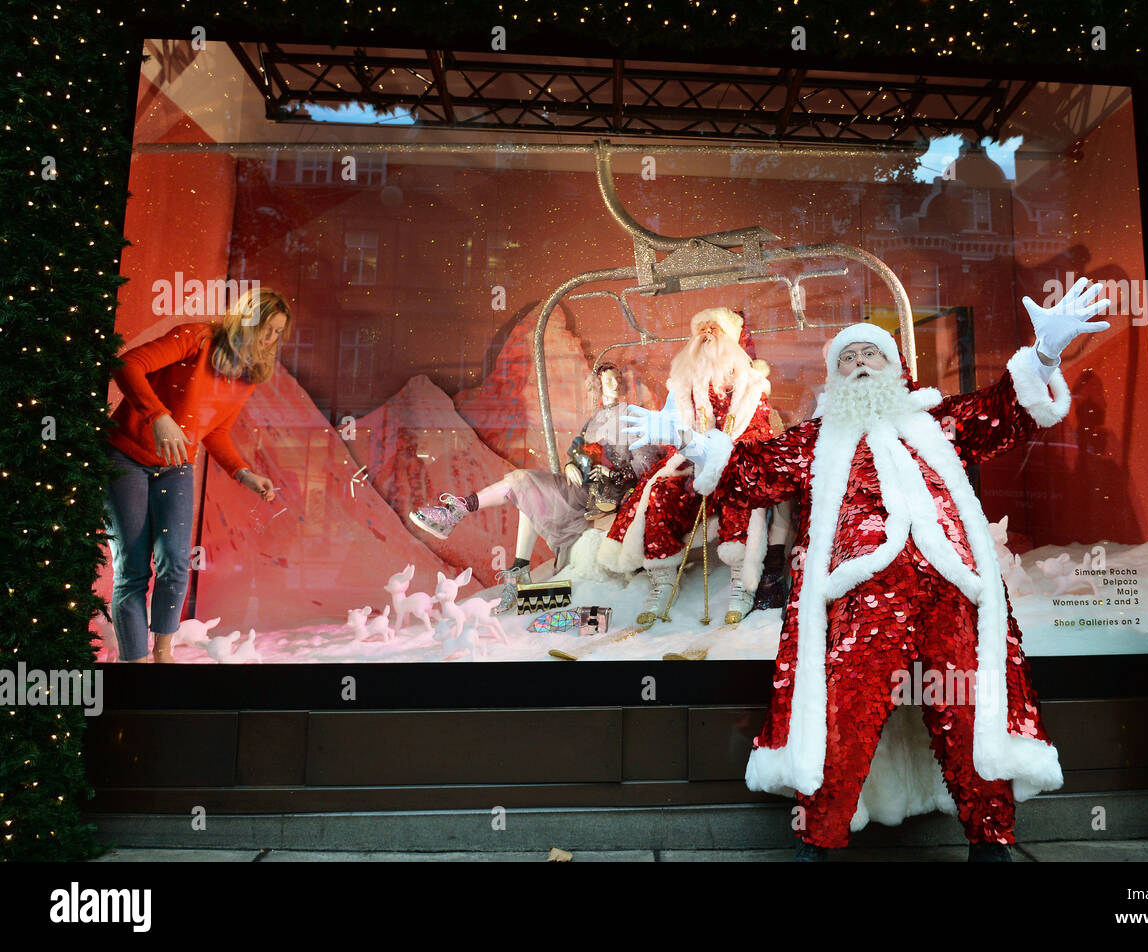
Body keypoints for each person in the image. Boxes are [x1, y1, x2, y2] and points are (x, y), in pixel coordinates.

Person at [624, 277, 1112, 860]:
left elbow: (1002, 414)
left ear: (895, 367)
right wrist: (690, 441)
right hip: (858, 602)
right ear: (834, 377)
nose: (858, 363)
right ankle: (819, 841)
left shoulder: (938, 421)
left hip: (953, 594)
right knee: (837, 720)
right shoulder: (814, 439)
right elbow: (754, 470)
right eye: (847, 357)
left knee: (969, 714)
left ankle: (992, 840)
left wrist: (1043, 355)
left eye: (870, 353)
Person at [104, 288, 289, 663]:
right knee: (133, 567)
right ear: (246, 319)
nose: (270, 340)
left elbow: (215, 431)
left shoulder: (247, 375)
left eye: (278, 333)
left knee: (174, 562)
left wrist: (243, 473)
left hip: (176, 467)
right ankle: (135, 667)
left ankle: (163, 656)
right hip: (124, 457)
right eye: (266, 328)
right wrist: (159, 417)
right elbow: (126, 365)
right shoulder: (196, 338)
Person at [408, 363, 663, 613]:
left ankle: (462, 519)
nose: (615, 383)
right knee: (524, 486)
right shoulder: (594, 420)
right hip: (578, 487)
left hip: (604, 497)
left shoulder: (634, 417)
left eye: (618, 378)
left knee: (524, 486)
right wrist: (570, 466)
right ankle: (505, 555)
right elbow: (577, 452)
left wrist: (612, 473)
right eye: (608, 380)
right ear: (598, 386)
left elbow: (647, 466)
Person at [598, 307, 776, 626]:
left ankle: (741, 580)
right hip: (692, 465)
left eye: (715, 329)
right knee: (660, 493)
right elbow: (672, 431)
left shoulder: (751, 387)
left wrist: (717, 456)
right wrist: (674, 440)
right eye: (701, 329)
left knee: (741, 491)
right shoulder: (683, 385)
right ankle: (663, 579)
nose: (707, 335)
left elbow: (757, 438)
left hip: (736, 465)